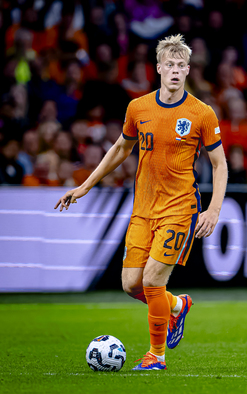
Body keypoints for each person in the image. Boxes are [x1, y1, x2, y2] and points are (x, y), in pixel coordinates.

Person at [54, 35, 228, 371]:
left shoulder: (201, 114)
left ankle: (156, 356)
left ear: (188, 70)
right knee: (131, 284)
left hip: (180, 209)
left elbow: (220, 164)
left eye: (181, 66)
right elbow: (120, 149)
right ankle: (177, 306)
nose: (175, 71)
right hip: (143, 209)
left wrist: (214, 210)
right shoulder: (138, 107)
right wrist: (86, 185)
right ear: (159, 68)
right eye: (170, 65)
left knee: (151, 281)